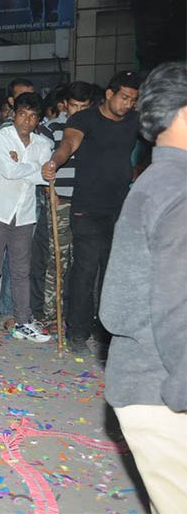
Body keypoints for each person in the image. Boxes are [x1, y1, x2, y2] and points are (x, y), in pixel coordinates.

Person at [100, 61, 187, 513]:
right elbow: (179, 305)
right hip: (164, 387)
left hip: (149, 380)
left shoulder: (160, 180)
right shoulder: (177, 189)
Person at [43, 70, 141, 354]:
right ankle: (77, 332)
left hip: (121, 209)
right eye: (124, 97)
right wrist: (54, 162)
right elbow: (68, 144)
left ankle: (106, 331)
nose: (128, 104)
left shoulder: (134, 120)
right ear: (109, 95)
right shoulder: (83, 119)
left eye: (133, 100)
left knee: (113, 272)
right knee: (85, 270)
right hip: (87, 208)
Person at [0, 92, 53, 346]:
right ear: (13, 113)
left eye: (33, 116)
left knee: (21, 271)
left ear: (38, 119)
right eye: (22, 114)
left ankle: (23, 321)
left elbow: (45, 178)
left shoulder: (43, 144)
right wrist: (34, 167)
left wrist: (25, 165)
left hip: (25, 214)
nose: (27, 121)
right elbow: (9, 172)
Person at [30, 81, 90, 324]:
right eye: (74, 106)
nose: (78, 111)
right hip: (60, 200)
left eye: (84, 106)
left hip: (87, 202)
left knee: (81, 262)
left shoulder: (94, 128)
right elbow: (43, 165)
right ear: (66, 105)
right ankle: (49, 315)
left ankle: (71, 314)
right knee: (57, 260)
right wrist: (49, 192)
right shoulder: (51, 128)